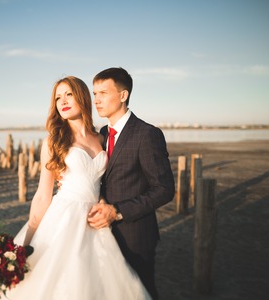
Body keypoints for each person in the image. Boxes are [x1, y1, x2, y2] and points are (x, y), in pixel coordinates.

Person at [0, 76, 151, 300]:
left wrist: (103, 201)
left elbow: (108, 181)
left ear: (82, 97)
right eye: (58, 98)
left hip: (95, 221)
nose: (62, 101)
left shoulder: (101, 138)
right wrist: (27, 238)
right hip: (64, 217)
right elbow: (43, 195)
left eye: (68, 94)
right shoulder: (53, 142)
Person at [87, 67, 176, 300]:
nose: (97, 100)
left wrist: (116, 211)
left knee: (141, 293)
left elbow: (164, 190)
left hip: (135, 235)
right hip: (101, 234)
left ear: (123, 95)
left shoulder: (147, 134)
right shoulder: (102, 134)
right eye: (95, 93)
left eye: (104, 93)